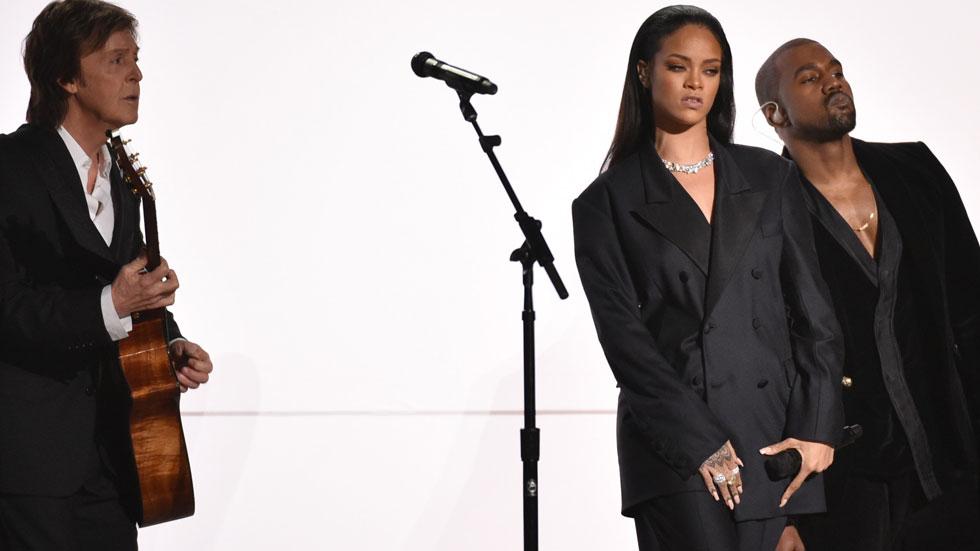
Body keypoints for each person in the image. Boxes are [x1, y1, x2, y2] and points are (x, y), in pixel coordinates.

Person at [572, 6, 845, 551]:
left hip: (774, 444)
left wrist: (818, 427)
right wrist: (700, 444)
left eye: (712, 69)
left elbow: (814, 313)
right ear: (645, 71)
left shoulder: (769, 176)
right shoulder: (606, 203)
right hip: (678, 449)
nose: (696, 82)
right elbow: (627, 347)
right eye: (679, 66)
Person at [0, 1, 214, 549]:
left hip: (115, 459)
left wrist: (170, 343)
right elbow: (9, 308)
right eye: (117, 59)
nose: (136, 74)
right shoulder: (11, 167)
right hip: (29, 467)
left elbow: (132, 296)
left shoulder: (122, 179)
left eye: (136, 59)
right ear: (65, 77)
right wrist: (111, 305)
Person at [756, 38, 980, 551]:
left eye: (836, 70)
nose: (833, 80)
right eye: (810, 78)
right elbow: (768, 366)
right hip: (844, 487)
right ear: (774, 113)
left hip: (951, 463)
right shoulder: (763, 211)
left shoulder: (915, 170)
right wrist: (783, 515)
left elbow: (972, 311)